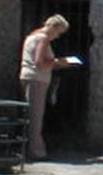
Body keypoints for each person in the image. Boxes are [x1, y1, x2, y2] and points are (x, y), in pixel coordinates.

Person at [18, 14, 72, 160]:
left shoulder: (32, 35)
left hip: (29, 76)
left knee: (31, 114)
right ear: (53, 27)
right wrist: (59, 63)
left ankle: (30, 149)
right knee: (35, 116)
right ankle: (36, 152)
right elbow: (39, 63)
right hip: (36, 79)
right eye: (58, 32)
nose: (57, 36)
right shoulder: (43, 39)